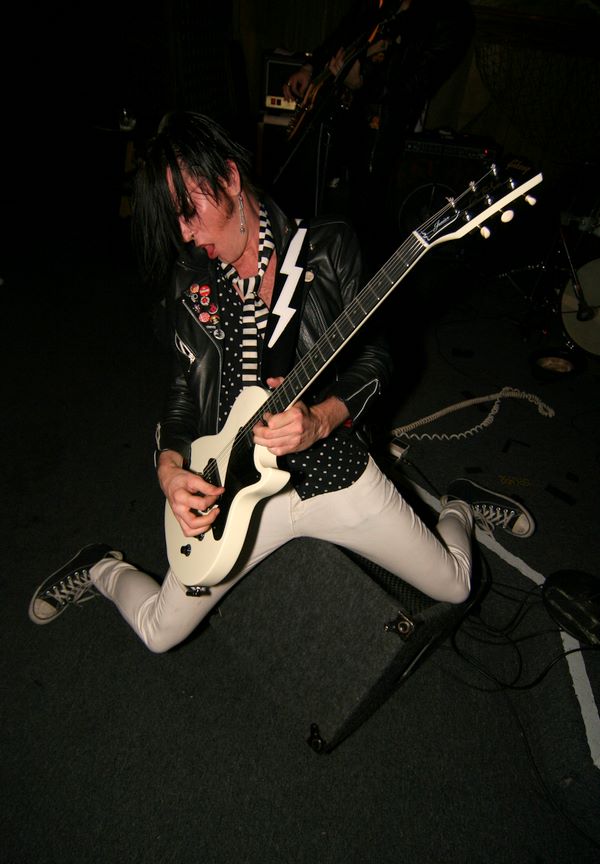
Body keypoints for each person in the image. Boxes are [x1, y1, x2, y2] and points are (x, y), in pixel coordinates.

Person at [28, 111, 534, 652]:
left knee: (456, 585)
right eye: (173, 222)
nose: (185, 234)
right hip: (237, 490)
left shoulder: (328, 246)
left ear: (229, 178)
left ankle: (457, 506)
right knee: (158, 633)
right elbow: (182, 394)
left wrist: (320, 419)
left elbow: (376, 360)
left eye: (187, 212)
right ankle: (101, 567)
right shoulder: (188, 282)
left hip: (330, 469)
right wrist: (169, 469)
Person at [281, 0, 475, 266]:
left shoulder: (453, 17)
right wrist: (311, 67)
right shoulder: (383, 4)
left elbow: (416, 85)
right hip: (338, 122)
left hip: (382, 138)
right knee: (307, 200)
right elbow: (345, 33)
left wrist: (363, 83)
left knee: (365, 224)